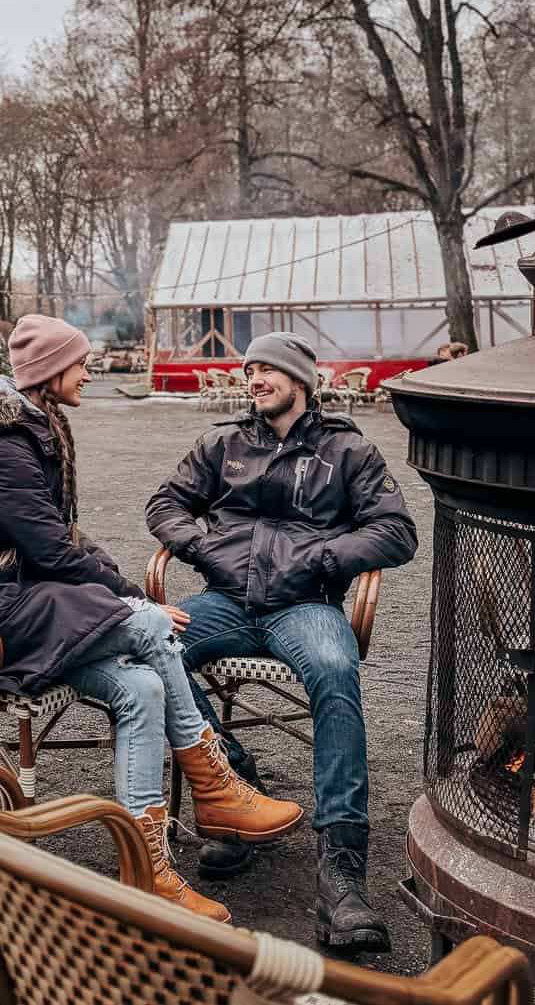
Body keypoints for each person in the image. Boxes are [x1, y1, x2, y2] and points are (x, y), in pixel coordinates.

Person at [0, 313, 303, 922]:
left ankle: (147, 871)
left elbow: (66, 540)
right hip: (3, 612)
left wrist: (113, 579)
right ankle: (216, 786)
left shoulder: (44, 428)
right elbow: (50, 550)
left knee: (141, 686)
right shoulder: (6, 448)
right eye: (81, 363)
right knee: (150, 625)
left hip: (44, 604)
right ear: (48, 372)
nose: (90, 373)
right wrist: (133, 599)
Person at [146, 331, 418, 954]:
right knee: (153, 649)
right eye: (251, 369)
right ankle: (233, 790)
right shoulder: (222, 443)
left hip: (305, 606)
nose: (255, 378)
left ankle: (342, 873)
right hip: (223, 602)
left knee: (333, 671)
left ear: (300, 380)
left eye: (268, 369)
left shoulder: (347, 450)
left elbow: (396, 532)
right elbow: (165, 503)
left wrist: (323, 558)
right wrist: (199, 544)